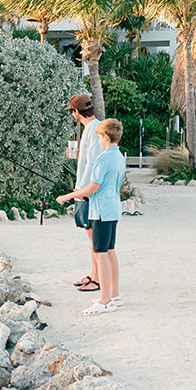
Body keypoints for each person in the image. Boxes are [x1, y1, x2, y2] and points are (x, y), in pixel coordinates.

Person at [57, 117, 124, 315]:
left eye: (99, 138)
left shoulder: (103, 158)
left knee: (100, 253)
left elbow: (93, 187)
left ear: (105, 137)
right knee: (110, 250)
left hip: (101, 211)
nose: (98, 142)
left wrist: (69, 195)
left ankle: (104, 300)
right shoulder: (119, 155)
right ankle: (115, 295)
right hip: (112, 209)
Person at [64, 93, 101, 293]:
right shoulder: (91, 128)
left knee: (93, 237)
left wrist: (82, 191)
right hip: (84, 191)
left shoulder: (94, 129)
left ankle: (97, 278)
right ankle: (93, 274)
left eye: (72, 111)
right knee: (91, 236)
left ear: (76, 112)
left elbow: (93, 163)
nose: (72, 115)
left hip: (87, 193)